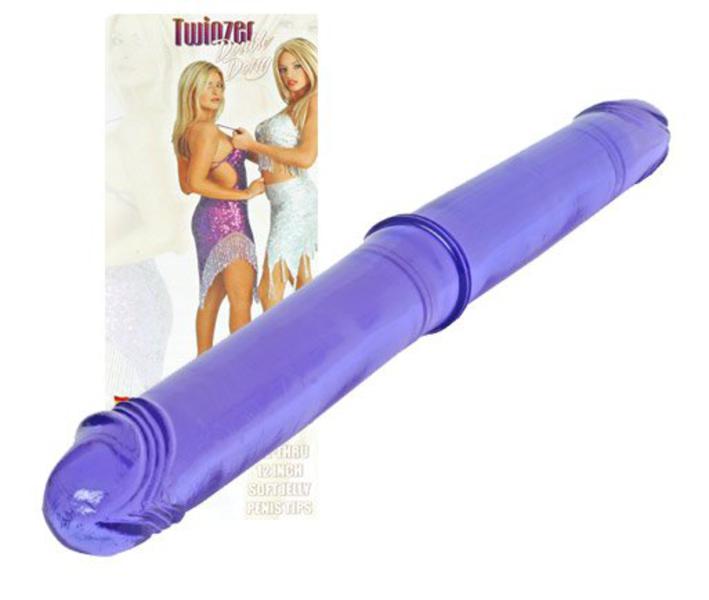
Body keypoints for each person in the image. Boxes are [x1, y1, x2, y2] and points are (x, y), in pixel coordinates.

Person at [172, 61, 265, 355]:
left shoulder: (185, 132)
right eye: (209, 85)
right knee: (240, 299)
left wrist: (243, 148)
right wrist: (244, 193)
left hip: (206, 220)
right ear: (192, 89)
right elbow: (195, 182)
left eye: (220, 85)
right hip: (230, 221)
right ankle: (242, 367)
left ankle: (202, 364)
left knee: (210, 299)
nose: (217, 91)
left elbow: (186, 186)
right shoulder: (207, 131)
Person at [231, 38, 318, 310]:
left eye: (297, 66)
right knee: (303, 283)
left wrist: (253, 145)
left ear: (310, 65)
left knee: (270, 288)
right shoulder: (293, 106)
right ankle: (311, 335)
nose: (289, 74)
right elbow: (273, 158)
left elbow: (306, 157)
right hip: (281, 201)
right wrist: (241, 148)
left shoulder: (315, 100)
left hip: (295, 200)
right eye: (283, 69)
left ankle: (277, 339)